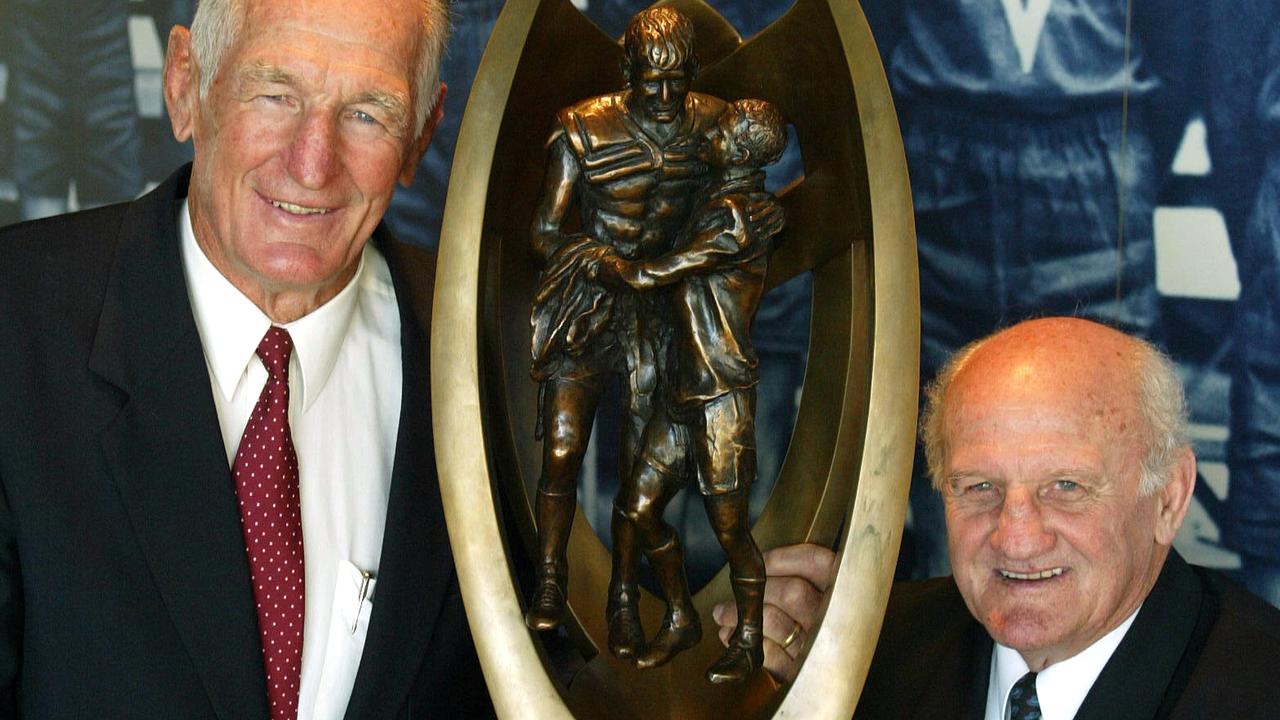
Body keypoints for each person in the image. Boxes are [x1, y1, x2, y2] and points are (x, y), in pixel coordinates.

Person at [0, 0, 492, 717]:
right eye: (275, 94)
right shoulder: (15, 331)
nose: (312, 163)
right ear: (184, 84)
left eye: (366, 113)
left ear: (421, 134)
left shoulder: (498, 354)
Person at [717, 318, 1280, 717]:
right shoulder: (862, 653)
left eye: (1066, 487)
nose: (1016, 539)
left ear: (1170, 497)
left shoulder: (1257, 687)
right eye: (980, 487)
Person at [858, 0, 1197, 580]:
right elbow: (873, 35)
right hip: (938, 155)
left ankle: (1118, 664)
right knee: (945, 451)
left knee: (1106, 442)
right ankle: (957, 658)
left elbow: (1185, 59)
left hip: (1092, 160)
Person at [523, 6, 728, 657]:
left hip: (664, 318)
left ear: (692, 72)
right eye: (650, 81)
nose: (664, 96)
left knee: (641, 474)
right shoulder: (583, 129)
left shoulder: (717, 126)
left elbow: (736, 212)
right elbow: (545, 231)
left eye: (676, 81)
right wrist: (603, 259)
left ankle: (621, 595)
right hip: (589, 305)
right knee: (561, 451)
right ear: (628, 71)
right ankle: (552, 577)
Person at [588, 98, 787, 681]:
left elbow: (660, 270)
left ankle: (749, 640)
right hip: (683, 390)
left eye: (725, 133)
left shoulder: (740, 218)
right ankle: (680, 615)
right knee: (637, 507)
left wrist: (612, 265)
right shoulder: (716, 203)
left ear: (745, 151)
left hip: (721, 395)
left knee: (729, 530)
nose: (714, 135)